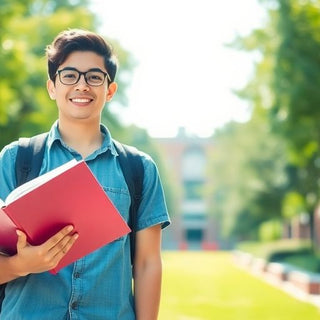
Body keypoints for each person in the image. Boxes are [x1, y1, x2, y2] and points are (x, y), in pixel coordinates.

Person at [0, 29, 170, 319]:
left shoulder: (139, 168)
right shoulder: (17, 160)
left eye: (94, 76)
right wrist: (22, 264)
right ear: (52, 87)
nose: (81, 85)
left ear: (110, 90)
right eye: (69, 75)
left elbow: (147, 264)